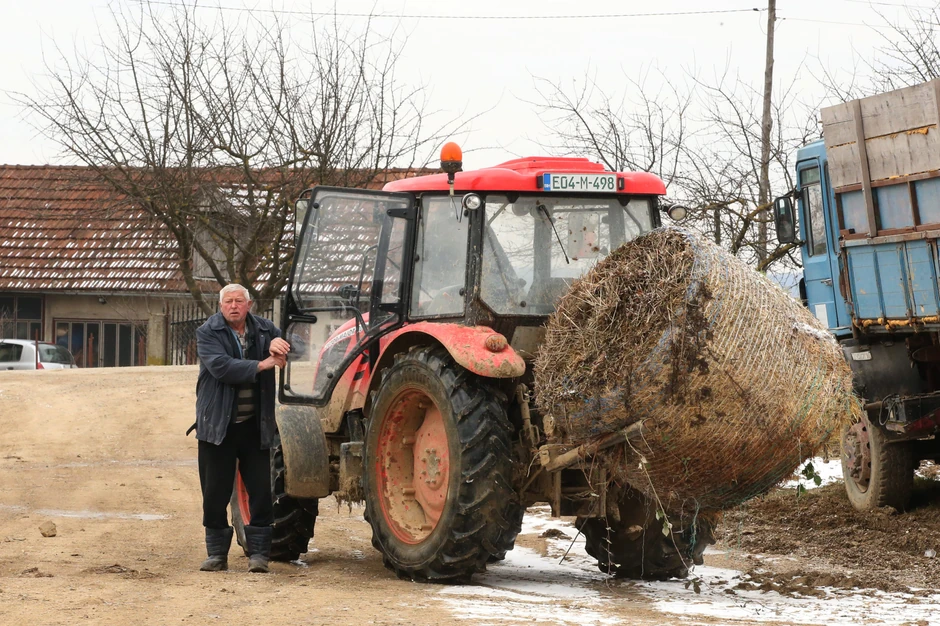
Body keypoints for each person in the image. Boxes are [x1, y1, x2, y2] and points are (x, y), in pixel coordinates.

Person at [193, 284, 290, 573]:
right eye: (228, 301)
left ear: (249, 304)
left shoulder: (264, 329)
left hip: (254, 426)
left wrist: (279, 345)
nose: (233, 306)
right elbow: (222, 368)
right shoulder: (208, 332)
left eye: (238, 301)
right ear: (220, 306)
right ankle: (216, 555)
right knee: (214, 494)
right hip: (218, 426)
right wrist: (263, 364)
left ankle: (259, 556)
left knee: (261, 492)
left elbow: (284, 349)